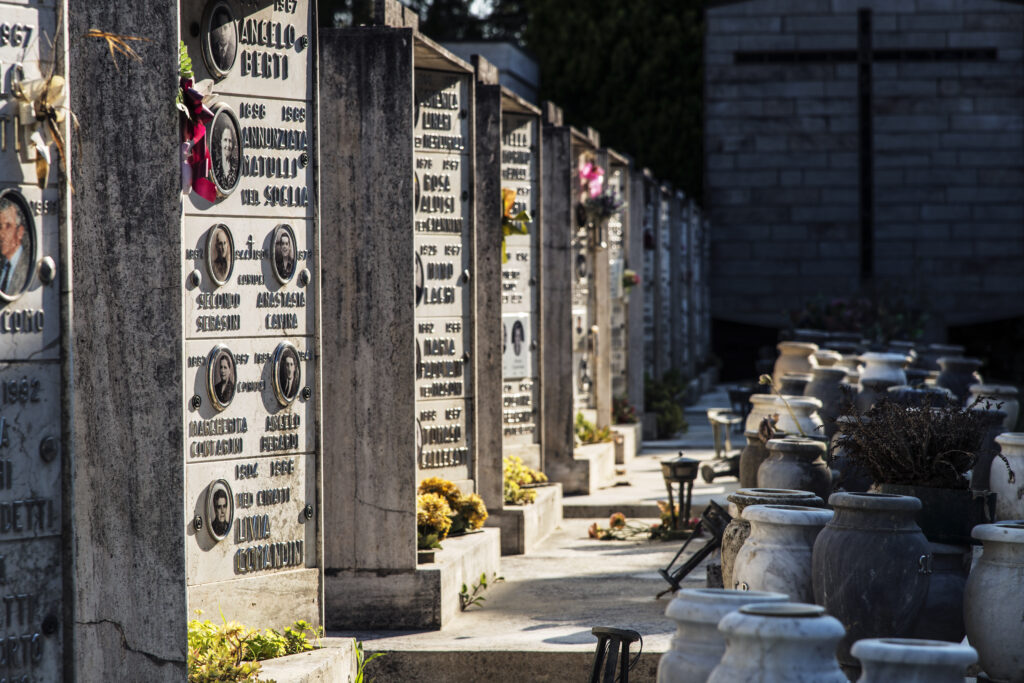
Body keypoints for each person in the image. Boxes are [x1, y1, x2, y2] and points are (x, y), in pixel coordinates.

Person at [0, 197, 30, 296]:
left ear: (20, 232)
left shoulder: (27, 265)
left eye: (8, 226)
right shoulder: (2, 265)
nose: (2, 234)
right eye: (0, 227)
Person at [213, 116, 238, 190]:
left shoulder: (236, 166)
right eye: (225, 140)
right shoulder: (215, 167)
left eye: (230, 141)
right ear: (220, 142)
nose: (228, 145)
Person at [209, 5, 237, 73]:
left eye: (225, 28)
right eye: (219, 28)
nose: (222, 33)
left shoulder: (233, 50)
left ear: (230, 30)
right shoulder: (212, 48)